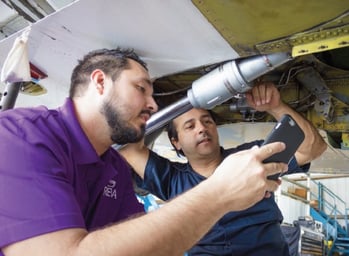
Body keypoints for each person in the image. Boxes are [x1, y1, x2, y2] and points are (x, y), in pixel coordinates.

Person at [0, 48, 288, 256]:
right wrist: (219, 192)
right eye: (141, 89)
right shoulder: (21, 137)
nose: (152, 105)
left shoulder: (113, 167)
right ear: (100, 82)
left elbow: (148, 243)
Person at [119, 82, 327, 255]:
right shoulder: (170, 178)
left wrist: (276, 106)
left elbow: (313, 148)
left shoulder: (251, 157)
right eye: (190, 126)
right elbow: (127, 147)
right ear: (176, 142)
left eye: (207, 121)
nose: (202, 128)